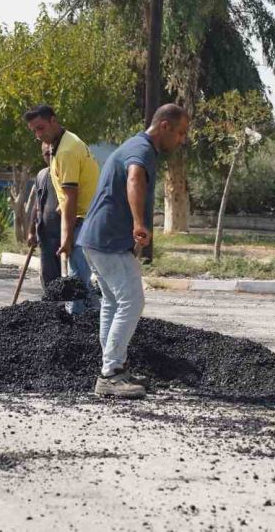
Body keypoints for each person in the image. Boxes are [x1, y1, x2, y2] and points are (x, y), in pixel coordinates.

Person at [78, 103, 190, 399]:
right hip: (107, 239)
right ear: (164, 126)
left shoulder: (138, 146)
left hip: (96, 237)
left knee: (113, 303)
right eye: (180, 133)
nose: (181, 140)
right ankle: (110, 374)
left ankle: (115, 368)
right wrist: (139, 223)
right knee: (132, 300)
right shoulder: (140, 150)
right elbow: (134, 177)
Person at [23, 104, 100, 314]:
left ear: (53, 121)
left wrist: (66, 239)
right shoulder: (63, 145)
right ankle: (93, 320)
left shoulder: (66, 151)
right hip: (84, 217)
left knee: (77, 281)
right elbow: (68, 193)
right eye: (34, 131)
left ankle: (83, 324)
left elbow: (70, 197)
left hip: (84, 220)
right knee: (79, 280)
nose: (39, 135)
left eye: (41, 128)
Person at [26, 141, 62, 292]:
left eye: (53, 153)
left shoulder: (65, 172)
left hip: (65, 236)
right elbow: (37, 206)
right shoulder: (41, 175)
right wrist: (31, 232)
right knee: (48, 279)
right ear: (43, 156)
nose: (51, 157)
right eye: (47, 154)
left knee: (67, 280)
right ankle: (52, 310)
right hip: (46, 237)